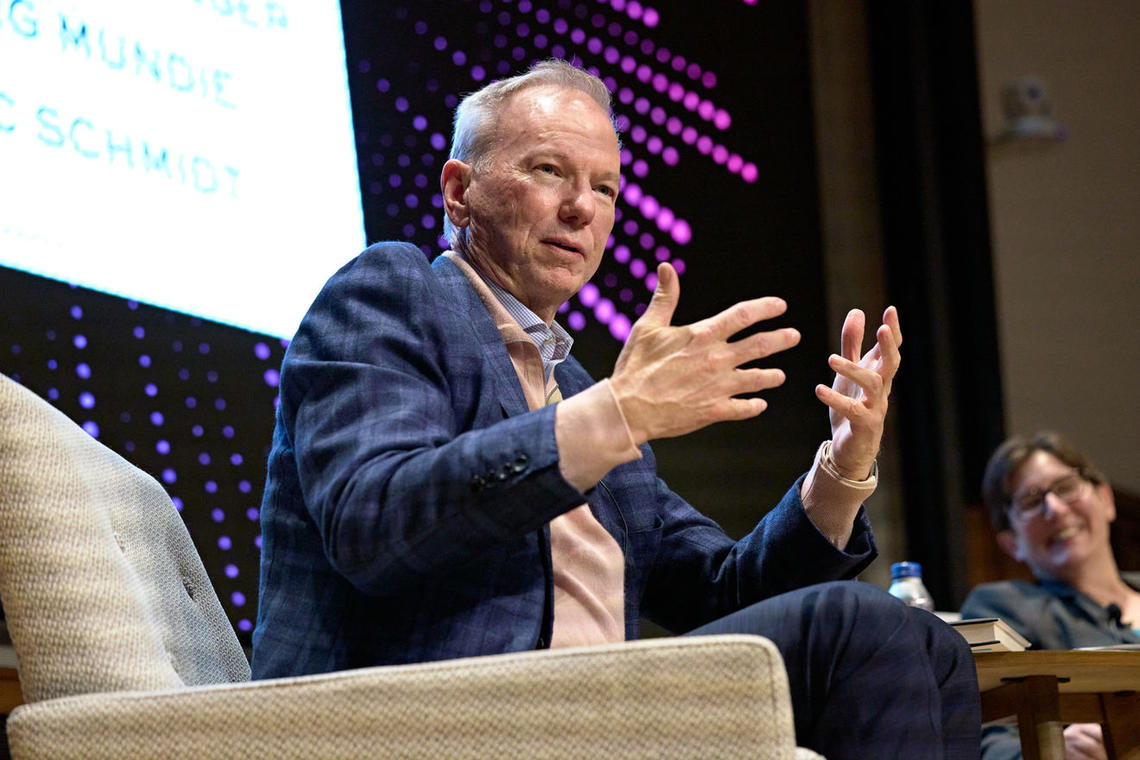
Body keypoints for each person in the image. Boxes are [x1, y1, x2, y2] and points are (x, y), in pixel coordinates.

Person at [252, 59, 979, 758]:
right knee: (861, 626)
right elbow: (371, 524)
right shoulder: (393, 293)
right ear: (458, 190)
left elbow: (721, 595)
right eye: (549, 171)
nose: (582, 208)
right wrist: (616, 416)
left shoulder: (580, 386)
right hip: (429, 713)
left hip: (596, 709)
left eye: (604, 188)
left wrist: (841, 471)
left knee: (939, 649)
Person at [962, 432, 1139, 760]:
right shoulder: (1003, 609)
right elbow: (985, 736)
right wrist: (1054, 751)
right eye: (1031, 502)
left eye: (1066, 487)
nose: (1054, 508)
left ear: (1106, 500)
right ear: (1010, 542)